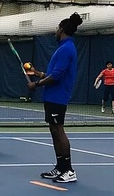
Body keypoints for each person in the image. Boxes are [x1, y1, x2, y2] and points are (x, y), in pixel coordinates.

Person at [27, 13, 83, 183]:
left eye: (57, 28)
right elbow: (53, 73)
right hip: (52, 96)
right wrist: (37, 73)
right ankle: (60, 167)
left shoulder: (66, 49)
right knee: (54, 131)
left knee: (58, 131)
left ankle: (69, 170)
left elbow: (57, 76)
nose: (55, 31)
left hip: (58, 96)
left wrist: (36, 84)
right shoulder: (63, 48)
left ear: (62, 30)